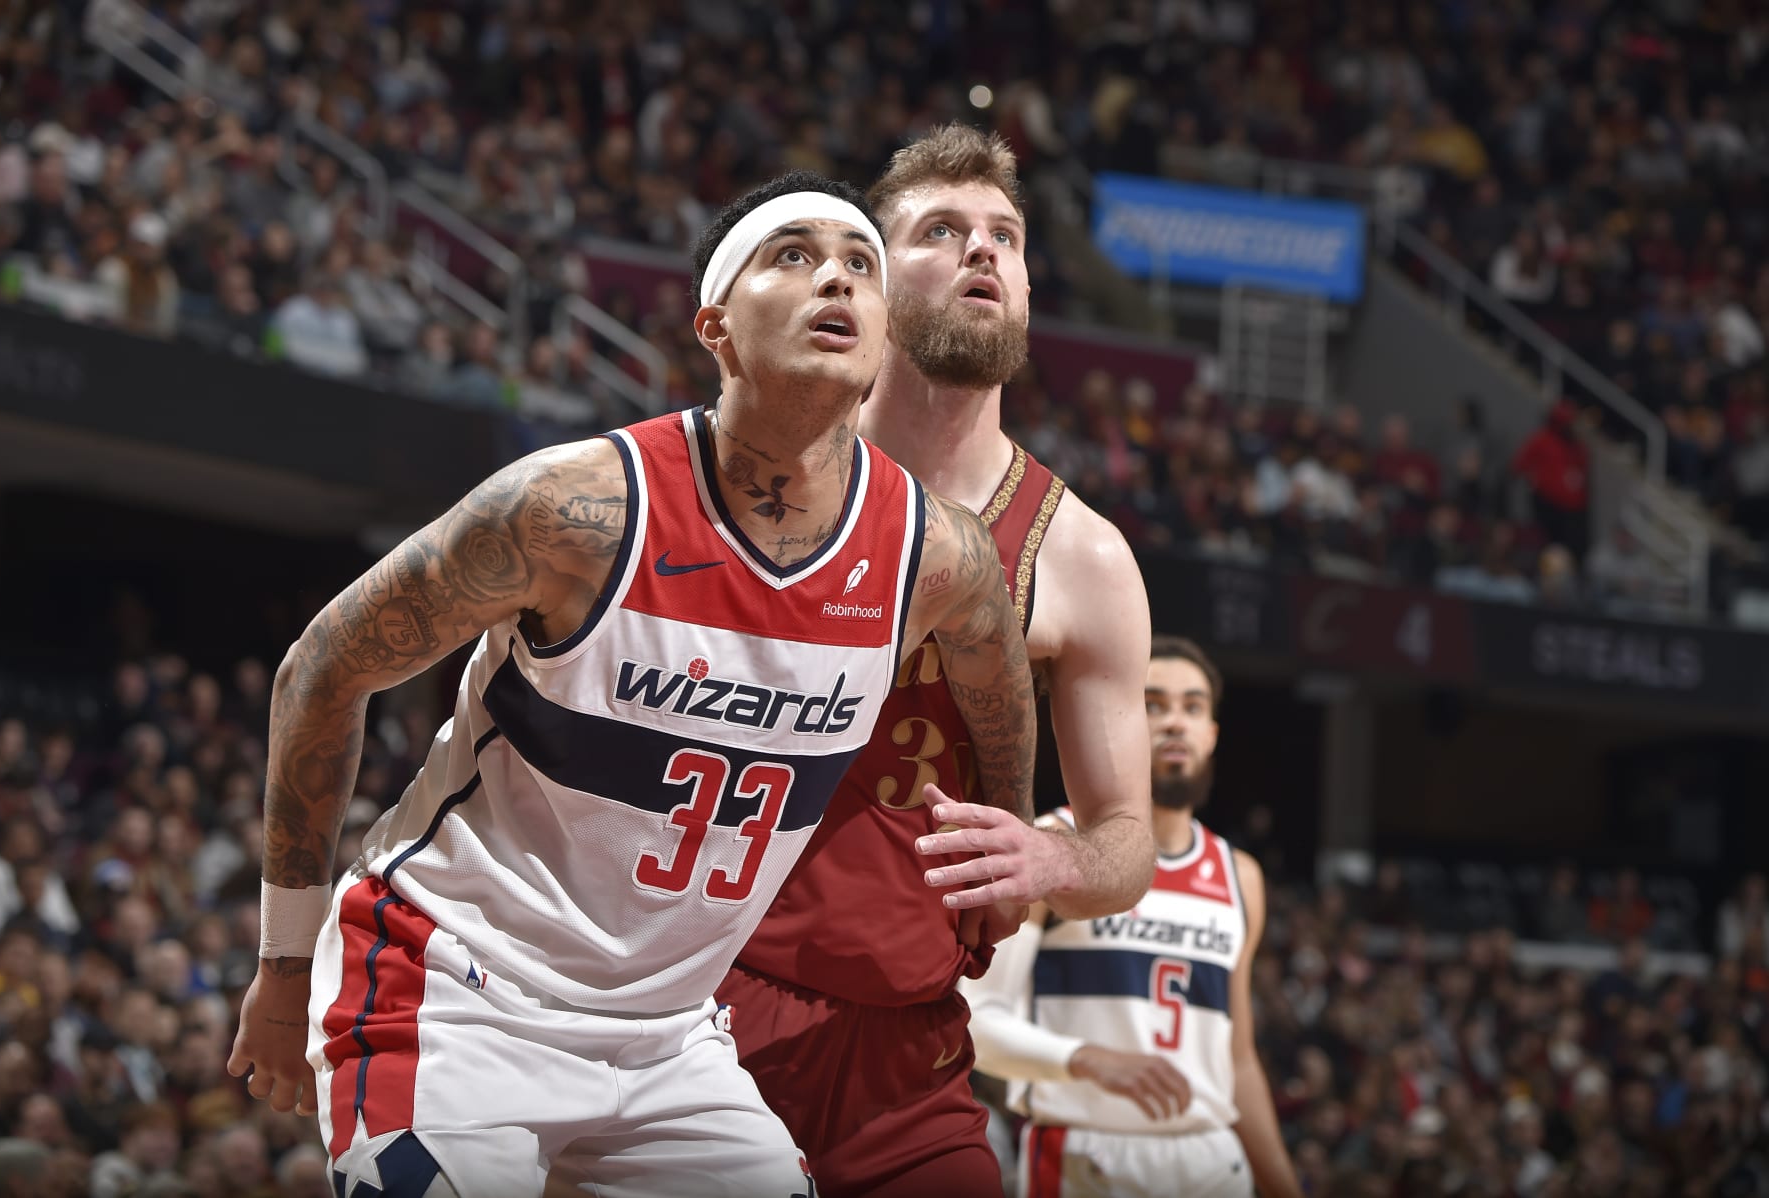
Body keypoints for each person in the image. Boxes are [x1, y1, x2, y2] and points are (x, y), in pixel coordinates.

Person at [227, 171, 1042, 1198]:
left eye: (858, 264)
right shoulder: (575, 509)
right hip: (454, 989)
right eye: (792, 255)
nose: (835, 275)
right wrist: (286, 960)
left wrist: (1005, 834)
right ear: (716, 324)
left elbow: (998, 673)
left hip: (667, 1035)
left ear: (884, 338)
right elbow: (320, 669)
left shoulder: (936, 556)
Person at [720, 126, 1155, 1197]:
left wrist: (1055, 864)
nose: (983, 254)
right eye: (943, 231)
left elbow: (1126, 842)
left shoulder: (1083, 555)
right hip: (702, 995)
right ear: (868, 277)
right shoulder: (752, 480)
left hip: (905, 1049)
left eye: (1005, 236)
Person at [962, 638, 1301, 1198]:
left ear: (1212, 733)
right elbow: (976, 1020)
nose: (1174, 722)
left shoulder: (1240, 877)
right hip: (1087, 1153)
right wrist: (1085, 1060)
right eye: (1153, 704)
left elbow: (1238, 1062)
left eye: (1192, 708)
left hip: (1212, 1159)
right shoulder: (1053, 844)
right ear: (1120, 720)